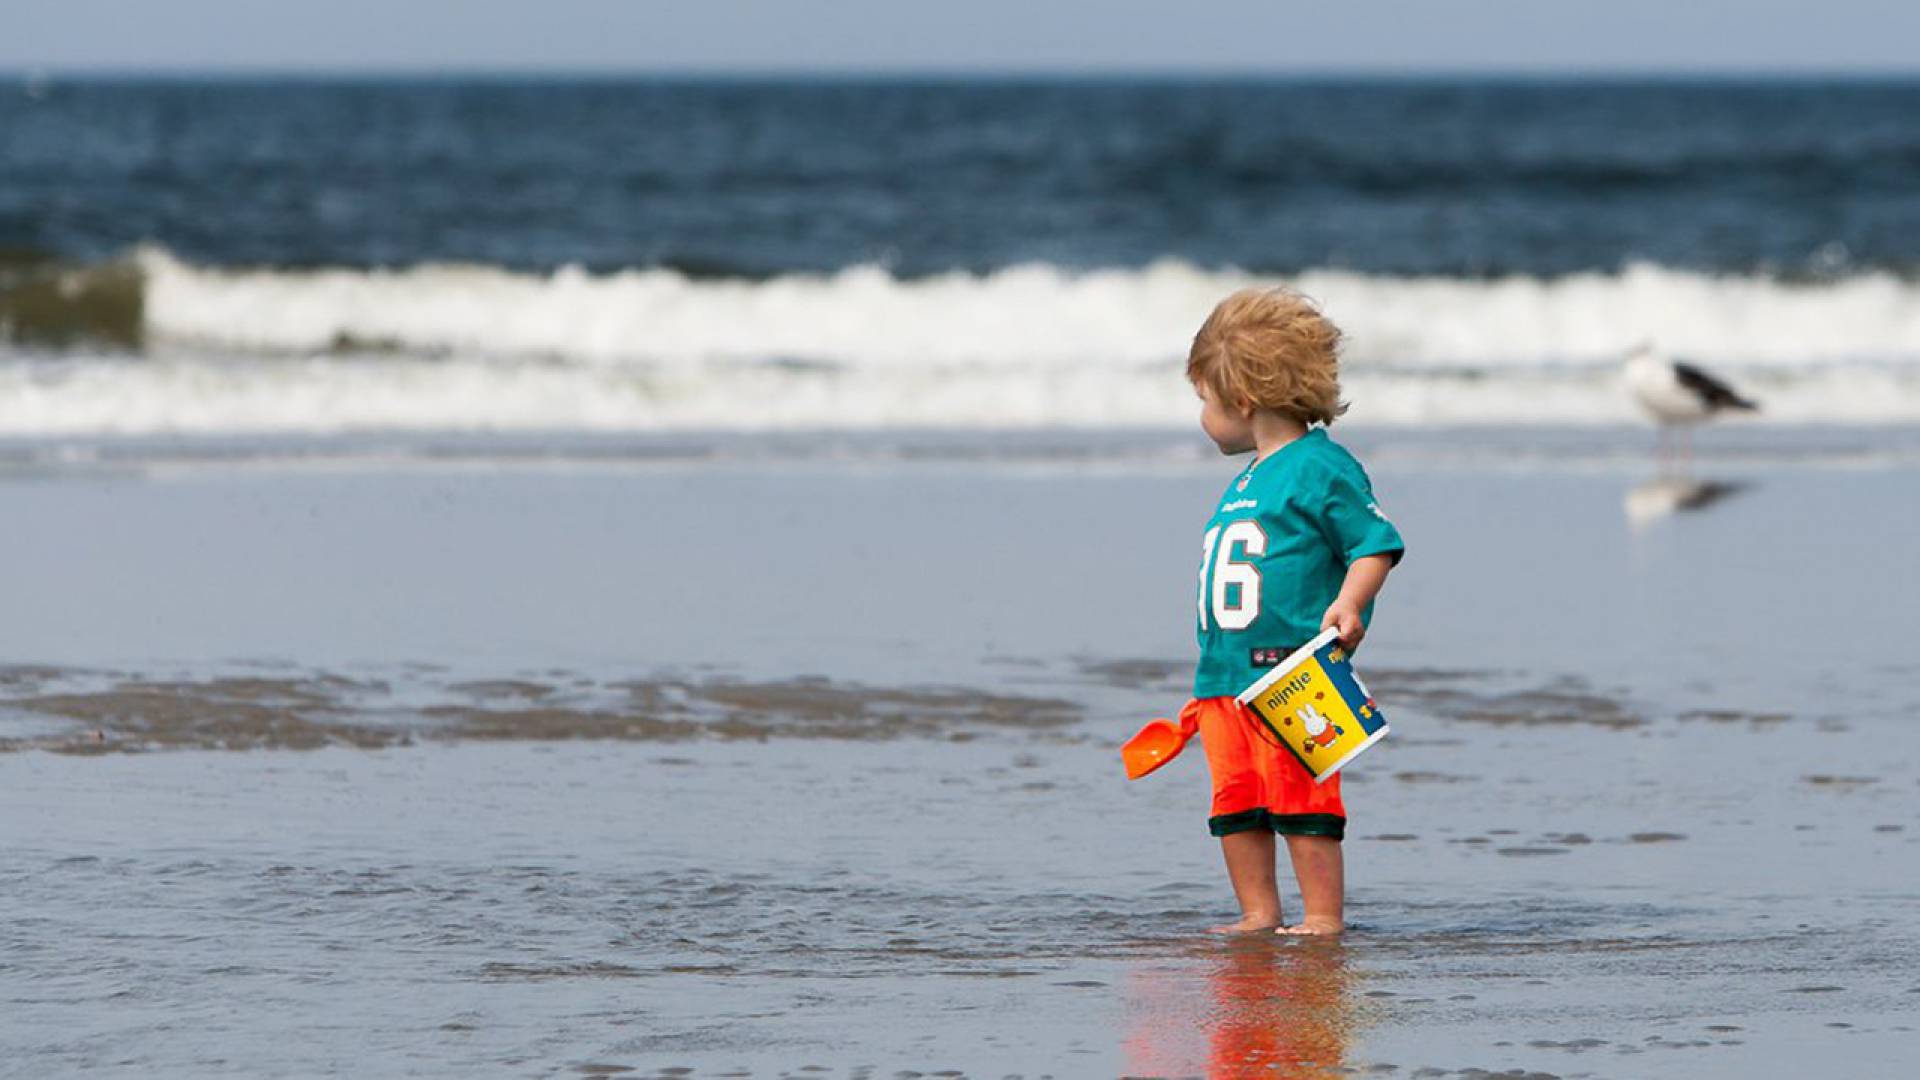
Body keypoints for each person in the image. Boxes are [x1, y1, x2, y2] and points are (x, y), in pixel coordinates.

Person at [1181, 287, 1405, 935]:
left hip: (1292, 673)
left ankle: (1322, 917)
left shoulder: (1320, 466)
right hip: (1222, 678)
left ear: (1242, 400)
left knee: (1302, 798)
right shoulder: (1252, 474)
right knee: (1237, 803)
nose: (1200, 415)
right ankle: (1257, 912)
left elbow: (1374, 543)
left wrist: (1350, 601)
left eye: (1203, 399)